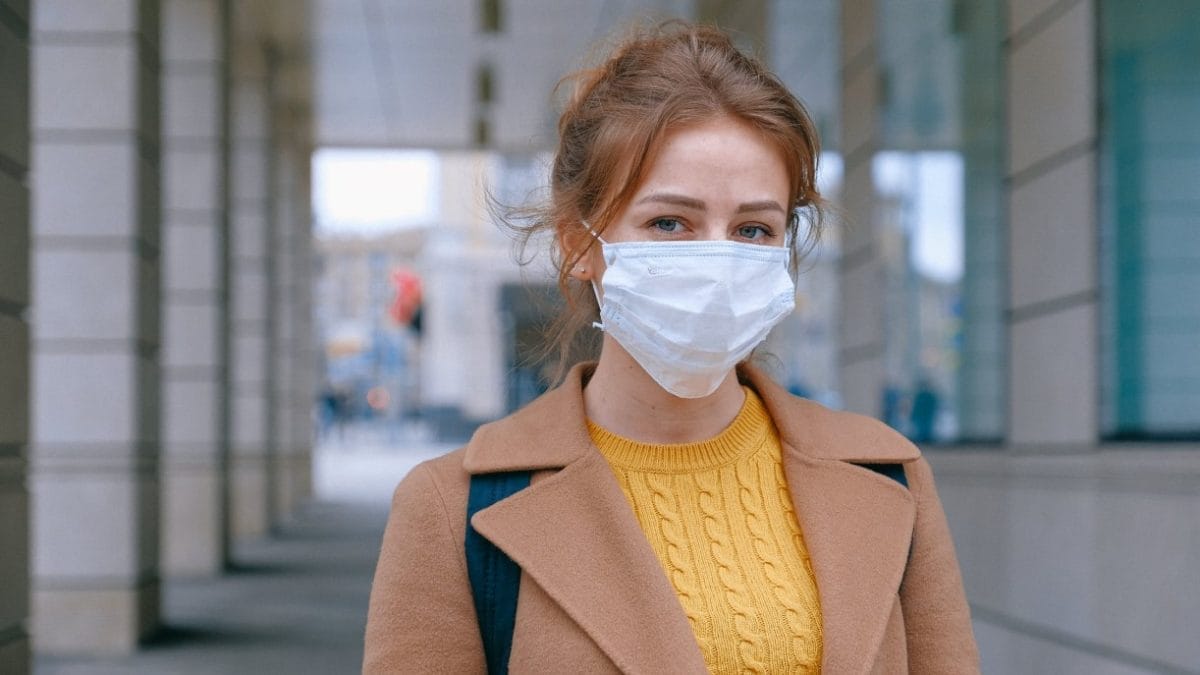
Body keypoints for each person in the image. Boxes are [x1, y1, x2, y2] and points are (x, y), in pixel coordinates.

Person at [364, 21, 978, 674]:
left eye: (752, 227)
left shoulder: (890, 477)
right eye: (669, 222)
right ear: (580, 244)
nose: (716, 258)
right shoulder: (452, 509)